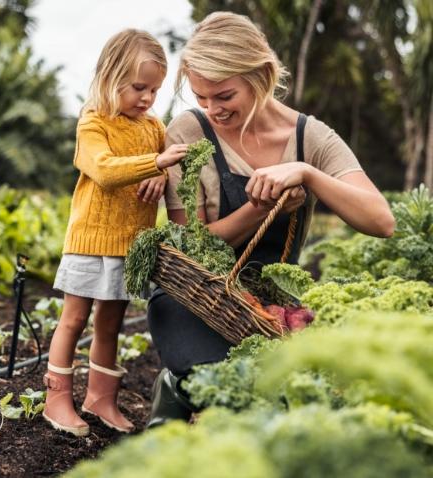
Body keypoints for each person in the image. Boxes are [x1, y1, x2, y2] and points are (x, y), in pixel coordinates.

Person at [146, 11, 396, 427]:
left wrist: (307, 173)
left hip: (271, 306)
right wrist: (259, 208)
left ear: (260, 75)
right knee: (229, 385)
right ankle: (177, 385)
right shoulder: (188, 132)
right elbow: (190, 248)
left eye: (224, 96)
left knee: (302, 393)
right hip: (196, 298)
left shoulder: (309, 137)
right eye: (201, 96)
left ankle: (181, 391)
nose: (212, 109)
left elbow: (380, 221)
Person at [43, 29, 188, 437]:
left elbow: (162, 170)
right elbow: (106, 171)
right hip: (90, 242)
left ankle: (100, 399)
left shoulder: (153, 126)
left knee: (111, 325)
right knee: (73, 319)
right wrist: (156, 163)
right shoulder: (93, 122)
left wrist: (161, 175)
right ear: (110, 76)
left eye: (154, 90)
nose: (146, 98)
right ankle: (56, 401)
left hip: (130, 245)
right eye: (139, 87)